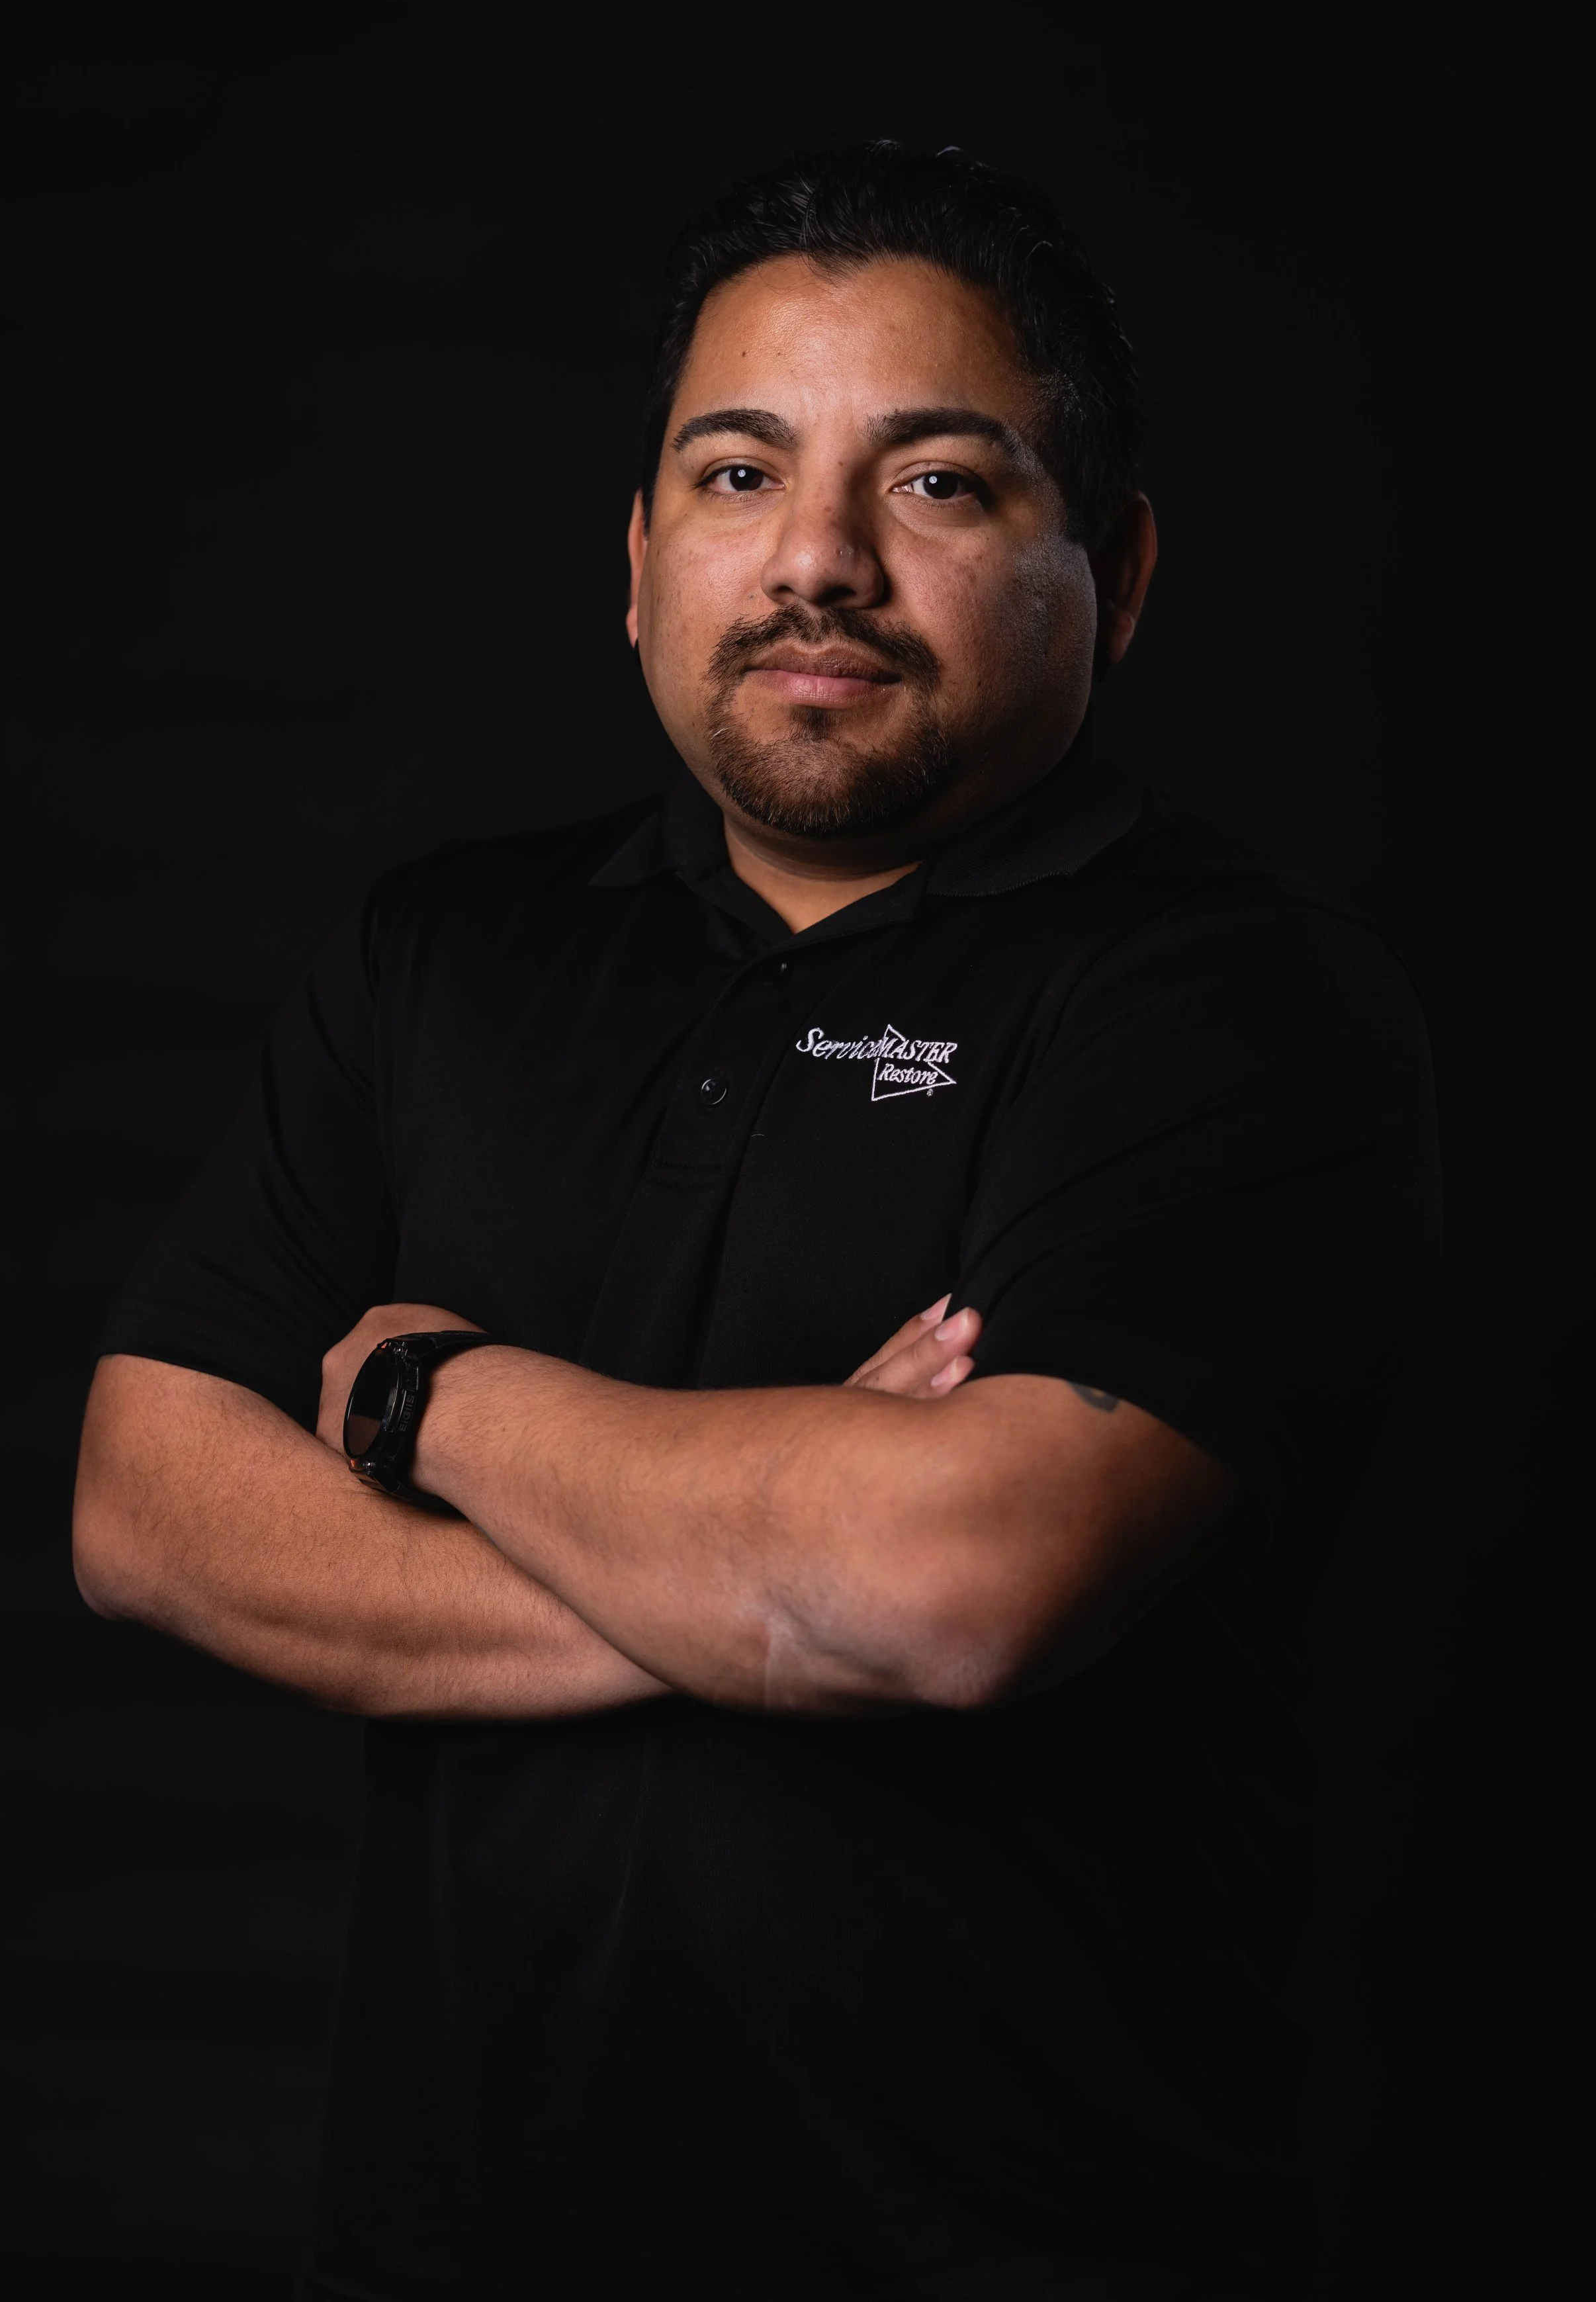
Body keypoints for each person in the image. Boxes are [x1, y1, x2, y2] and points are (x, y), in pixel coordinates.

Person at [73, 142, 1441, 2301]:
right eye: (734, 475)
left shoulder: (1229, 1004)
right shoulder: (444, 951)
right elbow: (145, 1497)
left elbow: (945, 1585)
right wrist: (754, 1573)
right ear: (634, 559)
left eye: (937, 486)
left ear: (1122, 567)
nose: (815, 560)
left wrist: (428, 1392)